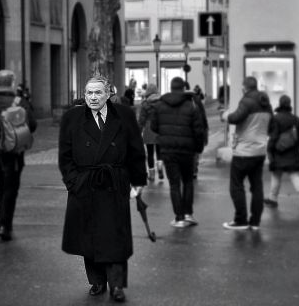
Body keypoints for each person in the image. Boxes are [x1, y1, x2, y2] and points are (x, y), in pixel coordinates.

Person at [59, 75, 146, 303]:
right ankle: (97, 281)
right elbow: (65, 156)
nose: (93, 97)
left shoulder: (124, 115)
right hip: (85, 184)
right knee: (89, 235)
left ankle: (117, 284)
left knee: (116, 235)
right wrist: (74, 182)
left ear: (108, 94)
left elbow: (136, 151)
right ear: (84, 95)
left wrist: (136, 183)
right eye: (89, 93)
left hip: (114, 182)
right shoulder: (73, 118)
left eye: (98, 92)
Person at [0, 70, 37, 241]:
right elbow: (32, 125)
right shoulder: (20, 102)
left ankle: (1, 218)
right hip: (14, 151)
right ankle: (6, 225)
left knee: (1, 184)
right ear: (12, 83)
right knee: (11, 188)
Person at [150, 77, 206, 228]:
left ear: (171, 87)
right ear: (183, 88)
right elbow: (198, 130)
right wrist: (198, 149)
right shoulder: (191, 106)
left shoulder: (160, 105)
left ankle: (179, 217)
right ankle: (188, 214)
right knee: (188, 181)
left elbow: (154, 127)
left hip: (168, 150)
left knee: (174, 184)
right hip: (187, 150)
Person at [221, 76, 272, 230]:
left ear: (244, 87)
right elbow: (271, 124)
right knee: (257, 186)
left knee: (236, 186)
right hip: (260, 151)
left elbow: (236, 118)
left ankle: (240, 220)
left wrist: (225, 116)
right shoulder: (265, 103)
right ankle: (255, 222)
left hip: (244, 152)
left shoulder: (247, 101)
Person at [264, 95, 299, 211]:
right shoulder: (295, 119)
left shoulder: (276, 118)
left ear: (280, 104)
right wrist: (296, 148)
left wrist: (270, 149)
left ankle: (273, 199)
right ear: (289, 104)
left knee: (276, 175)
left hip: (278, 152)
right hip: (293, 151)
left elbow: (273, 137)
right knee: (294, 175)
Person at [137, 83, 163, 182]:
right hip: (159, 128)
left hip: (149, 129)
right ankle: (160, 169)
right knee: (159, 152)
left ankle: (152, 175)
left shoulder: (145, 104)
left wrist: (138, 132)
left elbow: (141, 120)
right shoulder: (162, 103)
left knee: (150, 153)